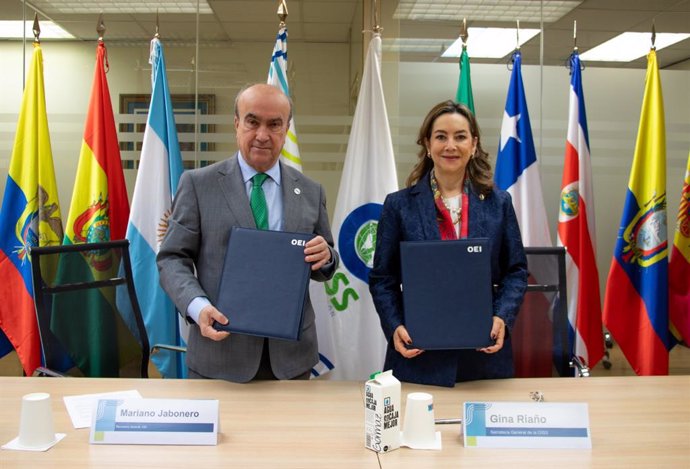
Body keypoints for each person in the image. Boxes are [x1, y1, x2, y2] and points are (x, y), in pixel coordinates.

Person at [157, 83, 339, 382]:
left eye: (274, 124)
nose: (263, 135)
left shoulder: (309, 191)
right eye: (253, 122)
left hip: (291, 360)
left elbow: (325, 261)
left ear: (286, 129)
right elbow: (171, 259)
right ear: (237, 124)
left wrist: (327, 257)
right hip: (220, 355)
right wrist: (197, 306)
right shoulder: (198, 185)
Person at [369, 100, 527, 387]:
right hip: (419, 354)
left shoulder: (499, 204)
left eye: (460, 136)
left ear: (474, 144)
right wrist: (395, 327)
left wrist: (502, 317)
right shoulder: (399, 205)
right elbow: (382, 278)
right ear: (427, 145)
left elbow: (515, 271)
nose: (450, 145)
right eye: (441, 136)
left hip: (484, 355)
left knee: (480, 429)